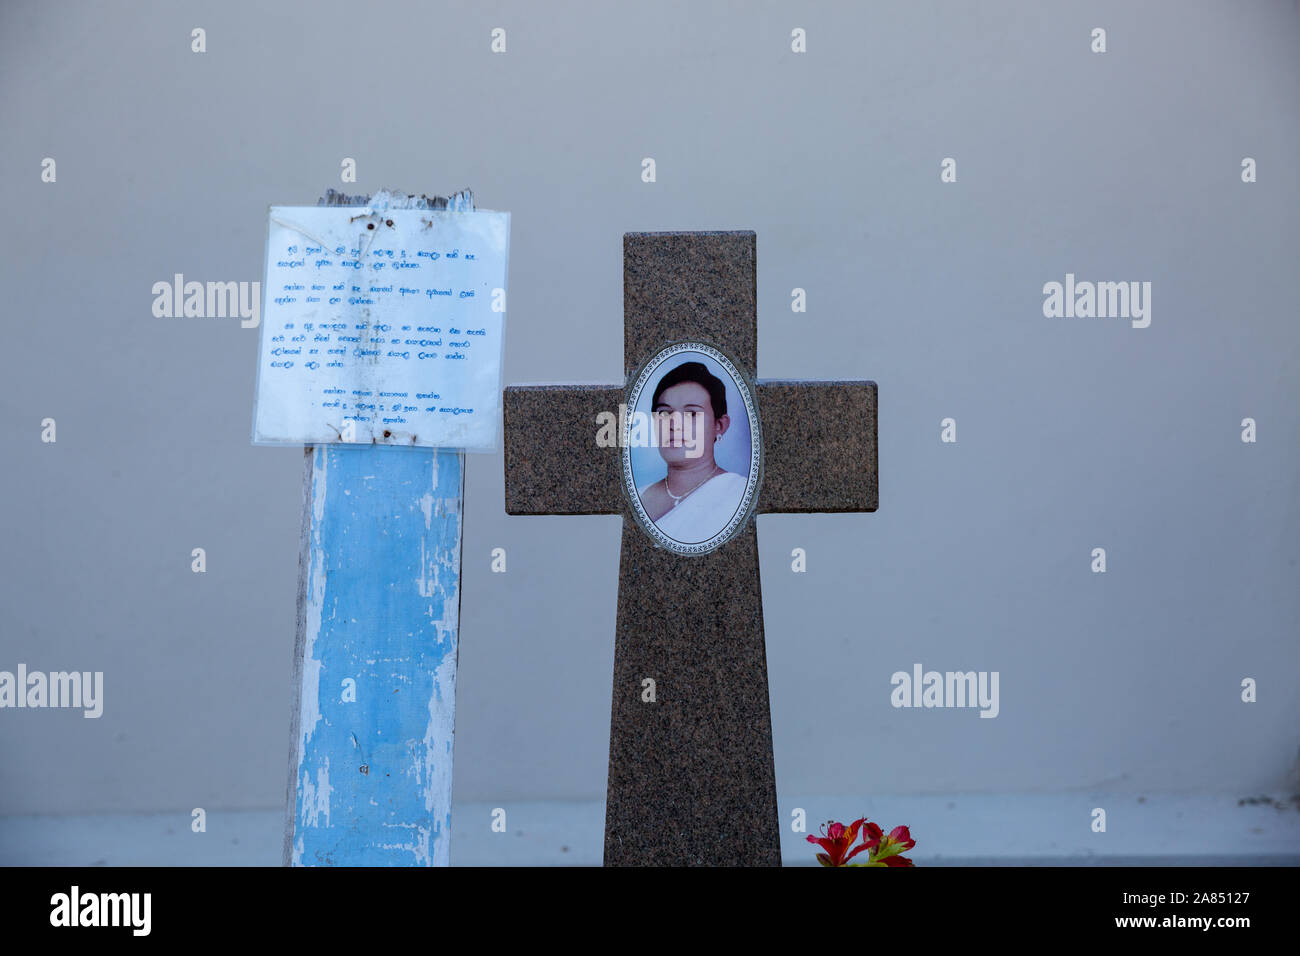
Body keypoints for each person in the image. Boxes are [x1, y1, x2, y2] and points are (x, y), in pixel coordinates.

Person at [637, 361, 747, 543]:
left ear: (719, 426)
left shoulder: (737, 494)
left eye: (691, 414)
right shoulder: (637, 496)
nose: (674, 424)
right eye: (664, 414)